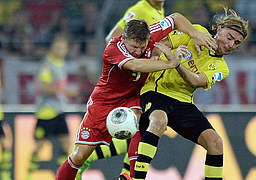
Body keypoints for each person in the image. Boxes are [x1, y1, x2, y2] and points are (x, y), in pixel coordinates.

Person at [56, 12, 216, 180]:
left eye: (142, 46)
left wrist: (195, 34)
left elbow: (175, 18)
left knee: (141, 120)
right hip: (104, 103)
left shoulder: (152, 33)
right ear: (124, 39)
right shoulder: (113, 49)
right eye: (134, 47)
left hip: (133, 97)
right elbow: (134, 65)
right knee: (78, 156)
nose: (138, 51)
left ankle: (134, 176)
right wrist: (169, 63)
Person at [134, 8, 249, 180]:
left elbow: (196, 81)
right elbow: (161, 45)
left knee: (215, 143)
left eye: (236, 43)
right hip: (156, 90)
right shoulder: (196, 32)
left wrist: (176, 62)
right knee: (159, 120)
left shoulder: (221, 68)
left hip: (183, 101)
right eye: (229, 37)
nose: (231, 45)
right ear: (218, 30)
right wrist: (163, 55)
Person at [76, 1, 167, 179]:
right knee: (147, 127)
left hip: (144, 80)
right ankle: (93, 161)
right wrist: (131, 66)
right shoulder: (140, 9)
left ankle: (124, 173)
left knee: (148, 130)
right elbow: (111, 39)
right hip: (132, 83)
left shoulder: (159, 9)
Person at [30, 34, 78, 177]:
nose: (61, 50)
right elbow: (44, 87)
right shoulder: (47, 65)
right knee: (39, 146)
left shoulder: (60, 64)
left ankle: (63, 176)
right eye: (58, 47)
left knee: (66, 144)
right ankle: (28, 174)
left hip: (58, 110)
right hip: (46, 111)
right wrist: (66, 91)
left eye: (63, 47)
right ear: (52, 48)